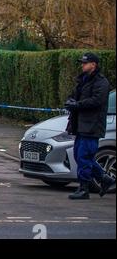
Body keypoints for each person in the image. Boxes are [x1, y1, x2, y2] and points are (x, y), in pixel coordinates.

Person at [65, 52, 115, 200]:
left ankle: (84, 188)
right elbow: (74, 95)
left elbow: (96, 101)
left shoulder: (101, 82)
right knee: (78, 155)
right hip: (81, 124)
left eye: (85, 63)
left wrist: (77, 105)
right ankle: (104, 178)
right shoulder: (83, 80)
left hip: (92, 125)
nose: (82, 65)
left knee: (84, 156)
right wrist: (70, 102)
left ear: (93, 65)